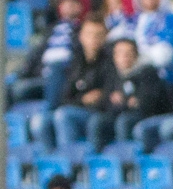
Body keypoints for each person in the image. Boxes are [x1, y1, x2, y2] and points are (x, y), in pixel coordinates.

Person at [35, 18, 115, 150]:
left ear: (105, 37)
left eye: (98, 35)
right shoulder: (74, 62)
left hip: (96, 114)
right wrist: (83, 99)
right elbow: (64, 97)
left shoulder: (110, 62)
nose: (94, 39)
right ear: (81, 36)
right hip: (76, 108)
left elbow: (106, 97)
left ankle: (69, 160)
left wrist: (85, 100)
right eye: (89, 34)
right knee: (40, 121)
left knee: (63, 115)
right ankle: (52, 161)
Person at [11, 0, 90, 109]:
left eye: (75, 2)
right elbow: (36, 55)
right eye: (66, 1)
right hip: (41, 76)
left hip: (63, 78)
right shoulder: (51, 29)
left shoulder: (83, 30)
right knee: (7, 89)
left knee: (19, 90)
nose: (69, 5)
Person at [104, 36, 172, 146]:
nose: (124, 57)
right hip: (122, 114)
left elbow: (146, 105)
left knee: (124, 121)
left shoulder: (147, 72)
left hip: (150, 116)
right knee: (98, 121)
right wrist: (126, 102)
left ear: (136, 55)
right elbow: (106, 103)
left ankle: (128, 159)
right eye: (120, 53)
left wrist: (123, 101)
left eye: (129, 53)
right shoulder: (113, 75)